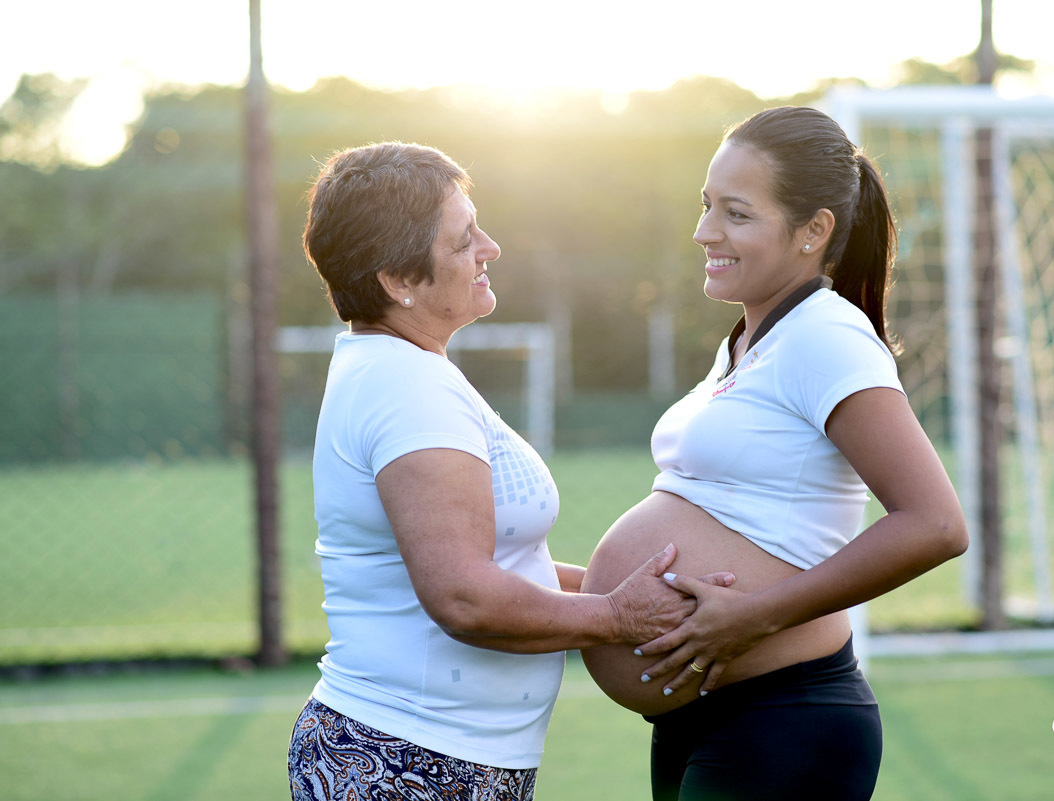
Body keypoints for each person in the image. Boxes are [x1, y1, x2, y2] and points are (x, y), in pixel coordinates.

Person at [287, 142, 728, 801]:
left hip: (440, 757)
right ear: (396, 279)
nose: (489, 247)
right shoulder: (405, 387)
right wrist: (614, 615)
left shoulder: (406, 370)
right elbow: (463, 596)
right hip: (403, 762)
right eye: (464, 239)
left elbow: (498, 570)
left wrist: (655, 592)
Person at [579, 106, 969, 800]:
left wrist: (754, 615)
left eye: (736, 214)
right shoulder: (749, 341)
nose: (705, 232)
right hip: (702, 717)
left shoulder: (827, 338)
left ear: (814, 231)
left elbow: (936, 524)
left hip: (783, 720)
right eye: (706, 207)